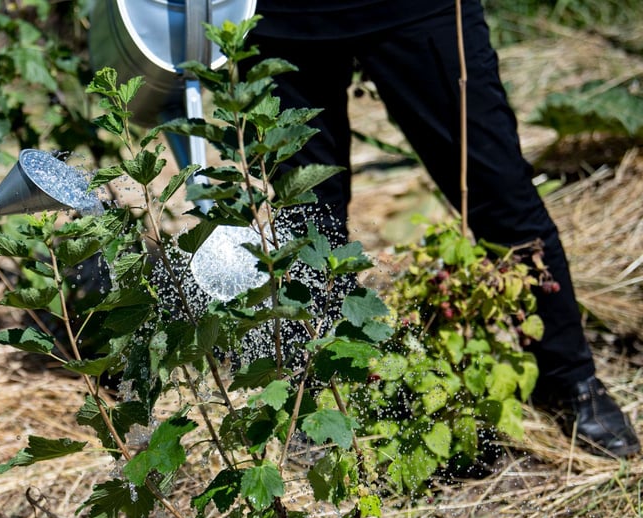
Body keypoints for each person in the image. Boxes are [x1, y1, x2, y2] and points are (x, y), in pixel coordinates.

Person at [245, 0, 639, 457]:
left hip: (418, 9)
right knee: (308, 216)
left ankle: (569, 380)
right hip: (280, 19)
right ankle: (318, 395)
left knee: (499, 189)